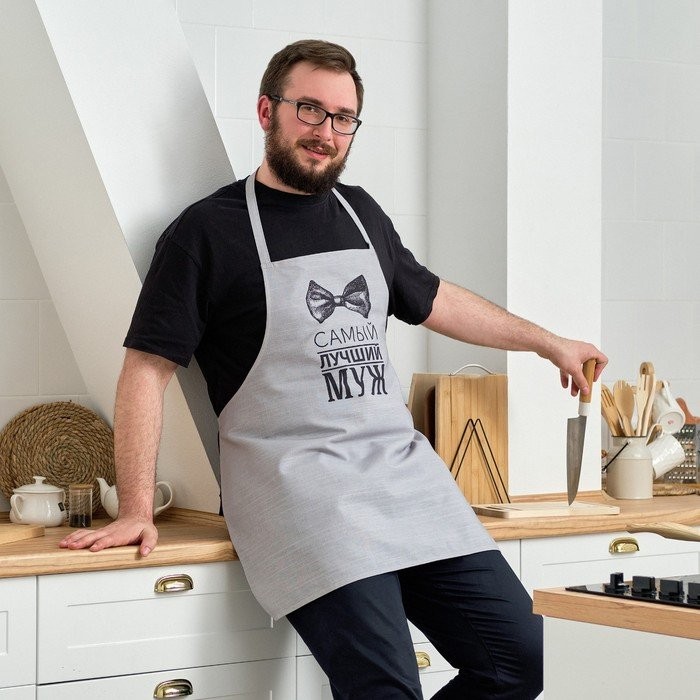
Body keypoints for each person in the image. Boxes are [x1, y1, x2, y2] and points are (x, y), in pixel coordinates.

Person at [60, 40, 607, 699]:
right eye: (310, 110)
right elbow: (146, 371)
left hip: (405, 482)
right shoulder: (206, 233)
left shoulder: (361, 212)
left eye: (343, 117)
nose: (326, 131)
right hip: (304, 497)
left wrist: (549, 343)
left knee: (523, 659)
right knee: (386, 690)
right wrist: (135, 507)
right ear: (267, 110)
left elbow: (433, 297)